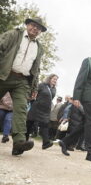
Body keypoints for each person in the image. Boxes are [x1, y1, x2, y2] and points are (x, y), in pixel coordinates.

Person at [0, 17, 47, 155]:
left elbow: (36, 69)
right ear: (27, 25)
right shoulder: (14, 35)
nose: (35, 29)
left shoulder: (39, 48)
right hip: (4, 75)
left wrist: (34, 88)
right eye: (33, 25)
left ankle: (19, 143)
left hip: (23, 81)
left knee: (21, 110)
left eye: (38, 28)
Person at [59, 44, 91, 162]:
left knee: (86, 123)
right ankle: (90, 152)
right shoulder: (89, 61)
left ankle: (65, 142)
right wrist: (76, 97)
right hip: (87, 97)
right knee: (90, 124)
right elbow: (80, 79)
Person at [26, 74, 58, 149]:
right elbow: (34, 92)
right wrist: (32, 99)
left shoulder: (54, 89)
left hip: (46, 110)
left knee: (45, 125)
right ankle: (24, 139)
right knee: (29, 123)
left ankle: (45, 143)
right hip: (36, 107)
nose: (55, 80)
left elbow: (51, 98)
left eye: (56, 79)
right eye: (54, 79)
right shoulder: (42, 85)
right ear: (49, 78)